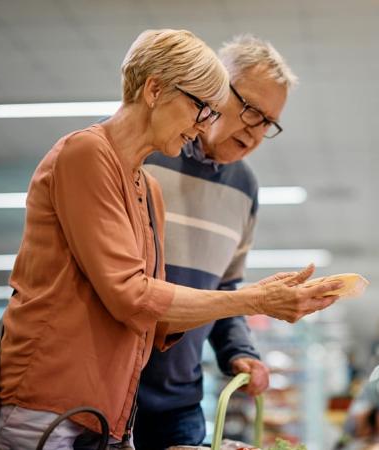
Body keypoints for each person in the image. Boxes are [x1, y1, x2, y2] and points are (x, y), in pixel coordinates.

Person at [0, 29, 342, 450]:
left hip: (111, 407)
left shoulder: (149, 188)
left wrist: (250, 324)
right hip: (46, 399)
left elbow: (156, 316)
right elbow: (131, 295)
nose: (204, 124)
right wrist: (255, 300)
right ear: (155, 89)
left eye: (268, 123)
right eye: (203, 107)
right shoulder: (87, 155)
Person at [135, 35, 298, 449]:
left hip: (181, 402)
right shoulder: (145, 154)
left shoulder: (245, 187)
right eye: (251, 111)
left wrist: (239, 351)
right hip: (112, 390)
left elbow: (224, 288)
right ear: (215, 88)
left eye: (269, 123)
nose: (256, 132)